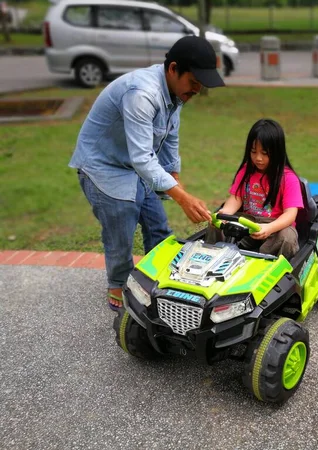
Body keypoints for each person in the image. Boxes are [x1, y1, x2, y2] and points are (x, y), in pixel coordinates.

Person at [69, 36, 225, 311]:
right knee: (121, 236)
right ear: (173, 69)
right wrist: (182, 198)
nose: (197, 89)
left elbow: (169, 138)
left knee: (158, 228)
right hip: (103, 167)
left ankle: (161, 284)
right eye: (194, 81)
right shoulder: (142, 93)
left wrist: (176, 181)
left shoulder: (175, 93)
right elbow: (142, 158)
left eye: (201, 84)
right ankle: (119, 290)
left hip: (134, 167)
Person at [209, 119, 304, 260]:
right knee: (216, 223)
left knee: (287, 237)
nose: (258, 158)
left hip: (275, 226)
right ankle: (213, 257)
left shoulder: (289, 178)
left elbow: (290, 215)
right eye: (254, 152)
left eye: (264, 153)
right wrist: (226, 213)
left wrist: (269, 228)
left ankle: (273, 266)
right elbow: (236, 197)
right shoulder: (246, 171)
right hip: (248, 223)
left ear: (277, 152)